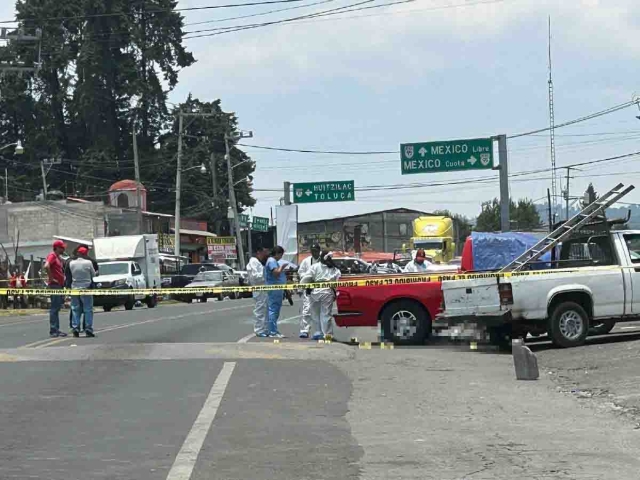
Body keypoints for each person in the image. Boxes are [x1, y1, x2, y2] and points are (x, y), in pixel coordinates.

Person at [300, 250, 342, 340]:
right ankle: (328, 334)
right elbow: (339, 280)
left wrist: (303, 287)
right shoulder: (334, 269)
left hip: (314, 292)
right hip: (327, 292)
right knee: (326, 314)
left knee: (315, 314)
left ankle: (318, 332)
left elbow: (306, 278)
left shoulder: (314, 267)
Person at [69, 246, 96, 338]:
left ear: (78, 253)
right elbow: (93, 274)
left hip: (75, 288)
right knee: (88, 309)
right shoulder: (88, 263)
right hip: (86, 288)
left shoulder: (72, 263)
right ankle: (88, 328)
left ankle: (75, 328)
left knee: (75, 309)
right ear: (85, 254)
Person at [43, 240, 68, 337]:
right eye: (62, 247)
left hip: (60, 285)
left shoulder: (58, 257)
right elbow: (46, 266)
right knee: (54, 308)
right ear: (57, 248)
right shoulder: (52, 256)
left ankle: (56, 329)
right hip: (55, 285)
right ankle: (53, 330)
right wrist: (51, 278)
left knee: (57, 307)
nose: (63, 249)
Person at [297, 244, 321, 338]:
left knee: (318, 311)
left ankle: (319, 331)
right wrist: (307, 277)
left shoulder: (322, 260)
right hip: (308, 288)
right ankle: (304, 330)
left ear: (319, 251)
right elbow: (300, 272)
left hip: (319, 289)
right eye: (312, 251)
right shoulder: (306, 261)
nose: (314, 252)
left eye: (316, 250)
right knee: (306, 309)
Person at [264, 245, 287, 338]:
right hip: (274, 288)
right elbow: (276, 273)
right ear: (277, 253)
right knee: (273, 309)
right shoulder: (272, 261)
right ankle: (272, 331)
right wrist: (282, 267)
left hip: (276, 288)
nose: (281, 257)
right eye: (281, 255)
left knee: (275, 309)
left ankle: (273, 330)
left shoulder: (272, 261)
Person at [247, 246, 269, 337]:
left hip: (262, 288)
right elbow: (256, 276)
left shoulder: (258, 262)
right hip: (258, 288)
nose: (264, 255)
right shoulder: (253, 262)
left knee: (264, 309)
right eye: (263, 253)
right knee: (260, 309)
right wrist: (265, 274)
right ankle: (259, 329)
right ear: (258, 252)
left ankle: (264, 328)